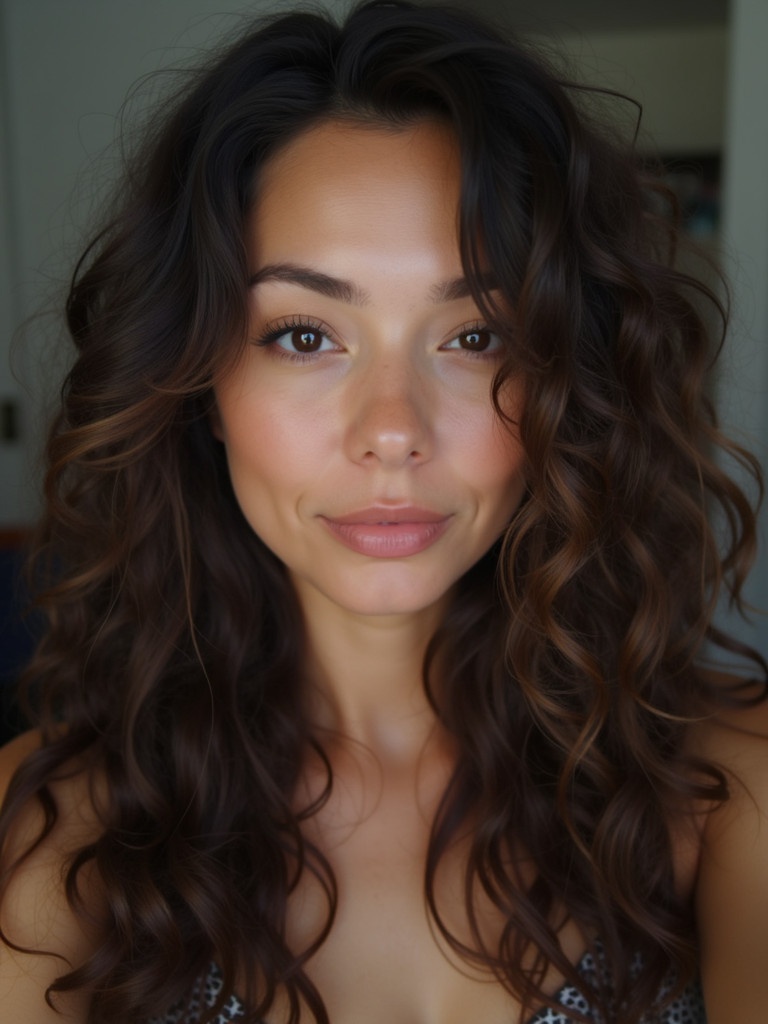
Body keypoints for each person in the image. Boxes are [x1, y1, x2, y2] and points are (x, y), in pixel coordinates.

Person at [1, 1, 766, 1021]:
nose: (393, 430)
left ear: (565, 385)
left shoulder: (728, 789)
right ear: (198, 387)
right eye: (306, 336)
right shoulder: (52, 824)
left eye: (477, 334)